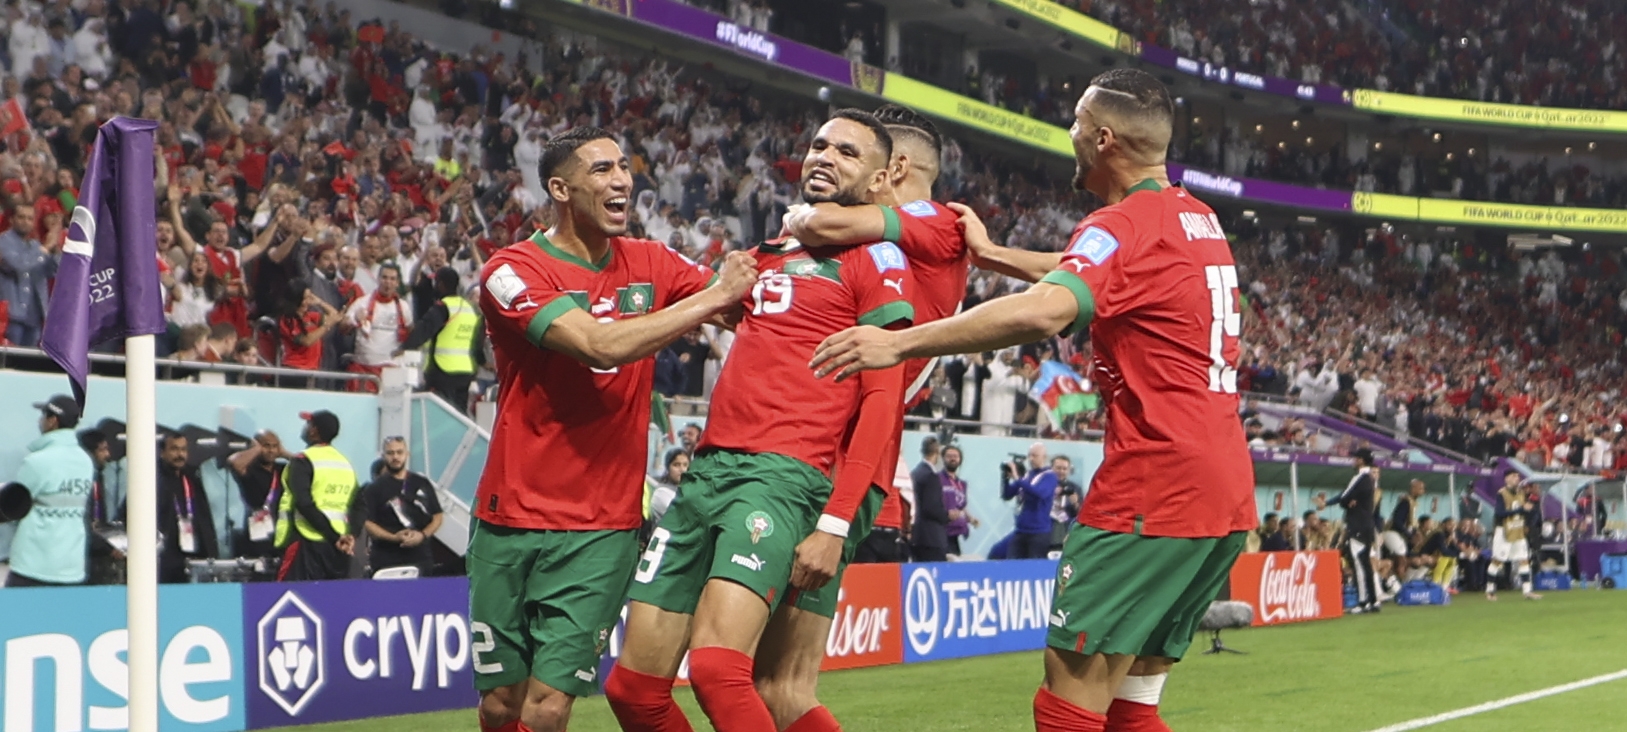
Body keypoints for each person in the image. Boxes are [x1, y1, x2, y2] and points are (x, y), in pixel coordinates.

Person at [808, 69, 1257, 731]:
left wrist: (900, 344)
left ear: (1102, 139)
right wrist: (993, 254)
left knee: (1066, 703)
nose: (1069, 138)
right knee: (1131, 707)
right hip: (1221, 487)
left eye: (1076, 125)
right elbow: (1093, 269)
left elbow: (1050, 311)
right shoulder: (1193, 217)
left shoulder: (1123, 223)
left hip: (1151, 485)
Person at [608, 110, 914, 732]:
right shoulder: (757, 258)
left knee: (721, 671)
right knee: (633, 690)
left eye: (848, 153)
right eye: (820, 144)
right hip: (705, 473)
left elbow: (883, 401)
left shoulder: (875, 257)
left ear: (881, 181)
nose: (826, 157)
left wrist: (834, 522)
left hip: (782, 478)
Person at [467, 126, 756, 732]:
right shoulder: (511, 270)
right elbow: (598, 344)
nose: (622, 179)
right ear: (560, 188)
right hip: (509, 514)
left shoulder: (651, 261)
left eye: (624, 166)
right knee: (500, 705)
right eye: (600, 170)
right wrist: (709, 301)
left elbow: (743, 304)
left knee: (548, 706)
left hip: (602, 526)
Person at [5, 395, 95, 587]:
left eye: (43, 416)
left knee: (17, 616)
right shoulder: (86, 461)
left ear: (53, 421)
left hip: (33, 564)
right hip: (71, 564)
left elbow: (13, 506)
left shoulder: (37, 461)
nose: (40, 421)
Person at [274, 410, 360, 582]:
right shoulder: (344, 462)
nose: (305, 428)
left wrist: (334, 536)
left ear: (313, 430)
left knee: (292, 596)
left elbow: (304, 503)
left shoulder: (303, 460)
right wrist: (351, 535)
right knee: (330, 601)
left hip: (306, 541)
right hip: (338, 547)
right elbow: (359, 504)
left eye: (308, 424)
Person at [129, 432, 219, 584]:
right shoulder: (151, 478)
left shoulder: (192, 478)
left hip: (193, 557)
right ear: (162, 452)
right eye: (174, 449)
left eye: (183, 450)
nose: (180, 454)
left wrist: (212, 555)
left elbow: (205, 519)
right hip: (162, 559)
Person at [401, 268, 482, 412]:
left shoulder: (443, 307)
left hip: (443, 370)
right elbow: (477, 342)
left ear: (441, 285)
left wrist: (404, 348)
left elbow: (423, 330)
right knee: (460, 415)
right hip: (465, 371)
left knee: (441, 413)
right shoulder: (469, 308)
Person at [362, 436, 442, 576]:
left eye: (399, 452)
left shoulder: (421, 483)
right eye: (390, 453)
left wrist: (422, 535)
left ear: (407, 454)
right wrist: (393, 537)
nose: (395, 457)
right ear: (384, 456)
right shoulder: (374, 488)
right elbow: (368, 522)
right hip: (386, 558)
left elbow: (437, 516)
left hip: (420, 557)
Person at [1318, 449, 1380, 613]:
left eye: (1355, 458)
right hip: (1366, 524)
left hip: (1357, 524)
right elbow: (1349, 497)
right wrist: (1348, 501)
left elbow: (1345, 496)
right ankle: (1372, 600)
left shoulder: (1360, 477)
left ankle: (1362, 601)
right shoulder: (1370, 479)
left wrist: (1340, 503)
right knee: (1366, 563)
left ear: (1361, 460)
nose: (1353, 461)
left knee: (1359, 563)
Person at [227, 430, 289, 559]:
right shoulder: (249, 468)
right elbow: (234, 462)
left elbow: (309, 467)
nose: (271, 450)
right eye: (266, 446)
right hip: (255, 534)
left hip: (280, 534)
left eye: (274, 446)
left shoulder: (282, 469)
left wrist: (284, 453)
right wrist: (256, 449)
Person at [1488, 471, 1542, 601]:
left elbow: (1526, 510)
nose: (1517, 478)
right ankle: (1489, 590)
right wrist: (1521, 510)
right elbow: (1499, 513)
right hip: (1504, 531)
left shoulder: (1521, 493)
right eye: (1513, 476)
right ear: (1506, 479)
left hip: (1518, 530)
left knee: (1524, 559)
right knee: (1497, 561)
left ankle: (1527, 591)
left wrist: (1530, 511)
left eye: (1518, 476)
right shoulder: (1501, 494)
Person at [1002, 442, 1057, 559]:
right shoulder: (1027, 475)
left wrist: (1018, 478)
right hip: (1021, 529)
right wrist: (1005, 479)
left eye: (1035, 456)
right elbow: (1007, 495)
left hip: (1039, 531)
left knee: (1034, 565)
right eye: (1030, 455)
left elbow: (1039, 493)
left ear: (1044, 457)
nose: (1031, 459)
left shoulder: (1050, 476)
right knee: (1011, 563)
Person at [909, 436, 949, 562]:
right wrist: (947, 516)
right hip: (932, 538)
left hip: (918, 536)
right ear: (937, 453)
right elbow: (931, 507)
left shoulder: (916, 472)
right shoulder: (930, 476)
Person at [940, 445, 978, 556]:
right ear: (943, 459)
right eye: (949, 456)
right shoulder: (937, 479)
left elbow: (961, 506)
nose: (952, 459)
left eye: (955, 456)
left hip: (955, 533)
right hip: (941, 530)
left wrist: (971, 518)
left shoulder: (962, 484)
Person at [1049, 455, 1082, 551]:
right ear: (1051, 468)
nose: (1061, 471)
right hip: (1045, 528)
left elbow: (1082, 514)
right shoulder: (1044, 485)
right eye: (1058, 468)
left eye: (1064, 469)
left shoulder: (1075, 488)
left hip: (1066, 530)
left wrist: (1075, 503)